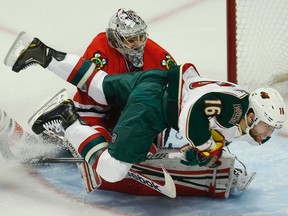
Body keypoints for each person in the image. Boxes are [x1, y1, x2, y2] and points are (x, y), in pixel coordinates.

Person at [4, 33, 287, 189]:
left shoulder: (237, 101)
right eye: (267, 127)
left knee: (100, 84)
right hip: (152, 109)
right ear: (253, 115)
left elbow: (202, 127)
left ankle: (42, 52)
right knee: (113, 170)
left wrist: (198, 153)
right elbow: (193, 113)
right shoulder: (234, 110)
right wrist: (206, 146)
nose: (268, 134)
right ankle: (66, 118)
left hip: (154, 82)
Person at [4, 8, 177, 192]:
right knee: (109, 158)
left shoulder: (159, 56)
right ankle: (67, 119)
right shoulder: (101, 48)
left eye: (141, 37)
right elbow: (92, 92)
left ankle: (69, 125)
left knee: (153, 137)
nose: (138, 44)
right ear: (115, 37)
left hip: (130, 110)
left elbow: (175, 91)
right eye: (131, 39)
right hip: (96, 112)